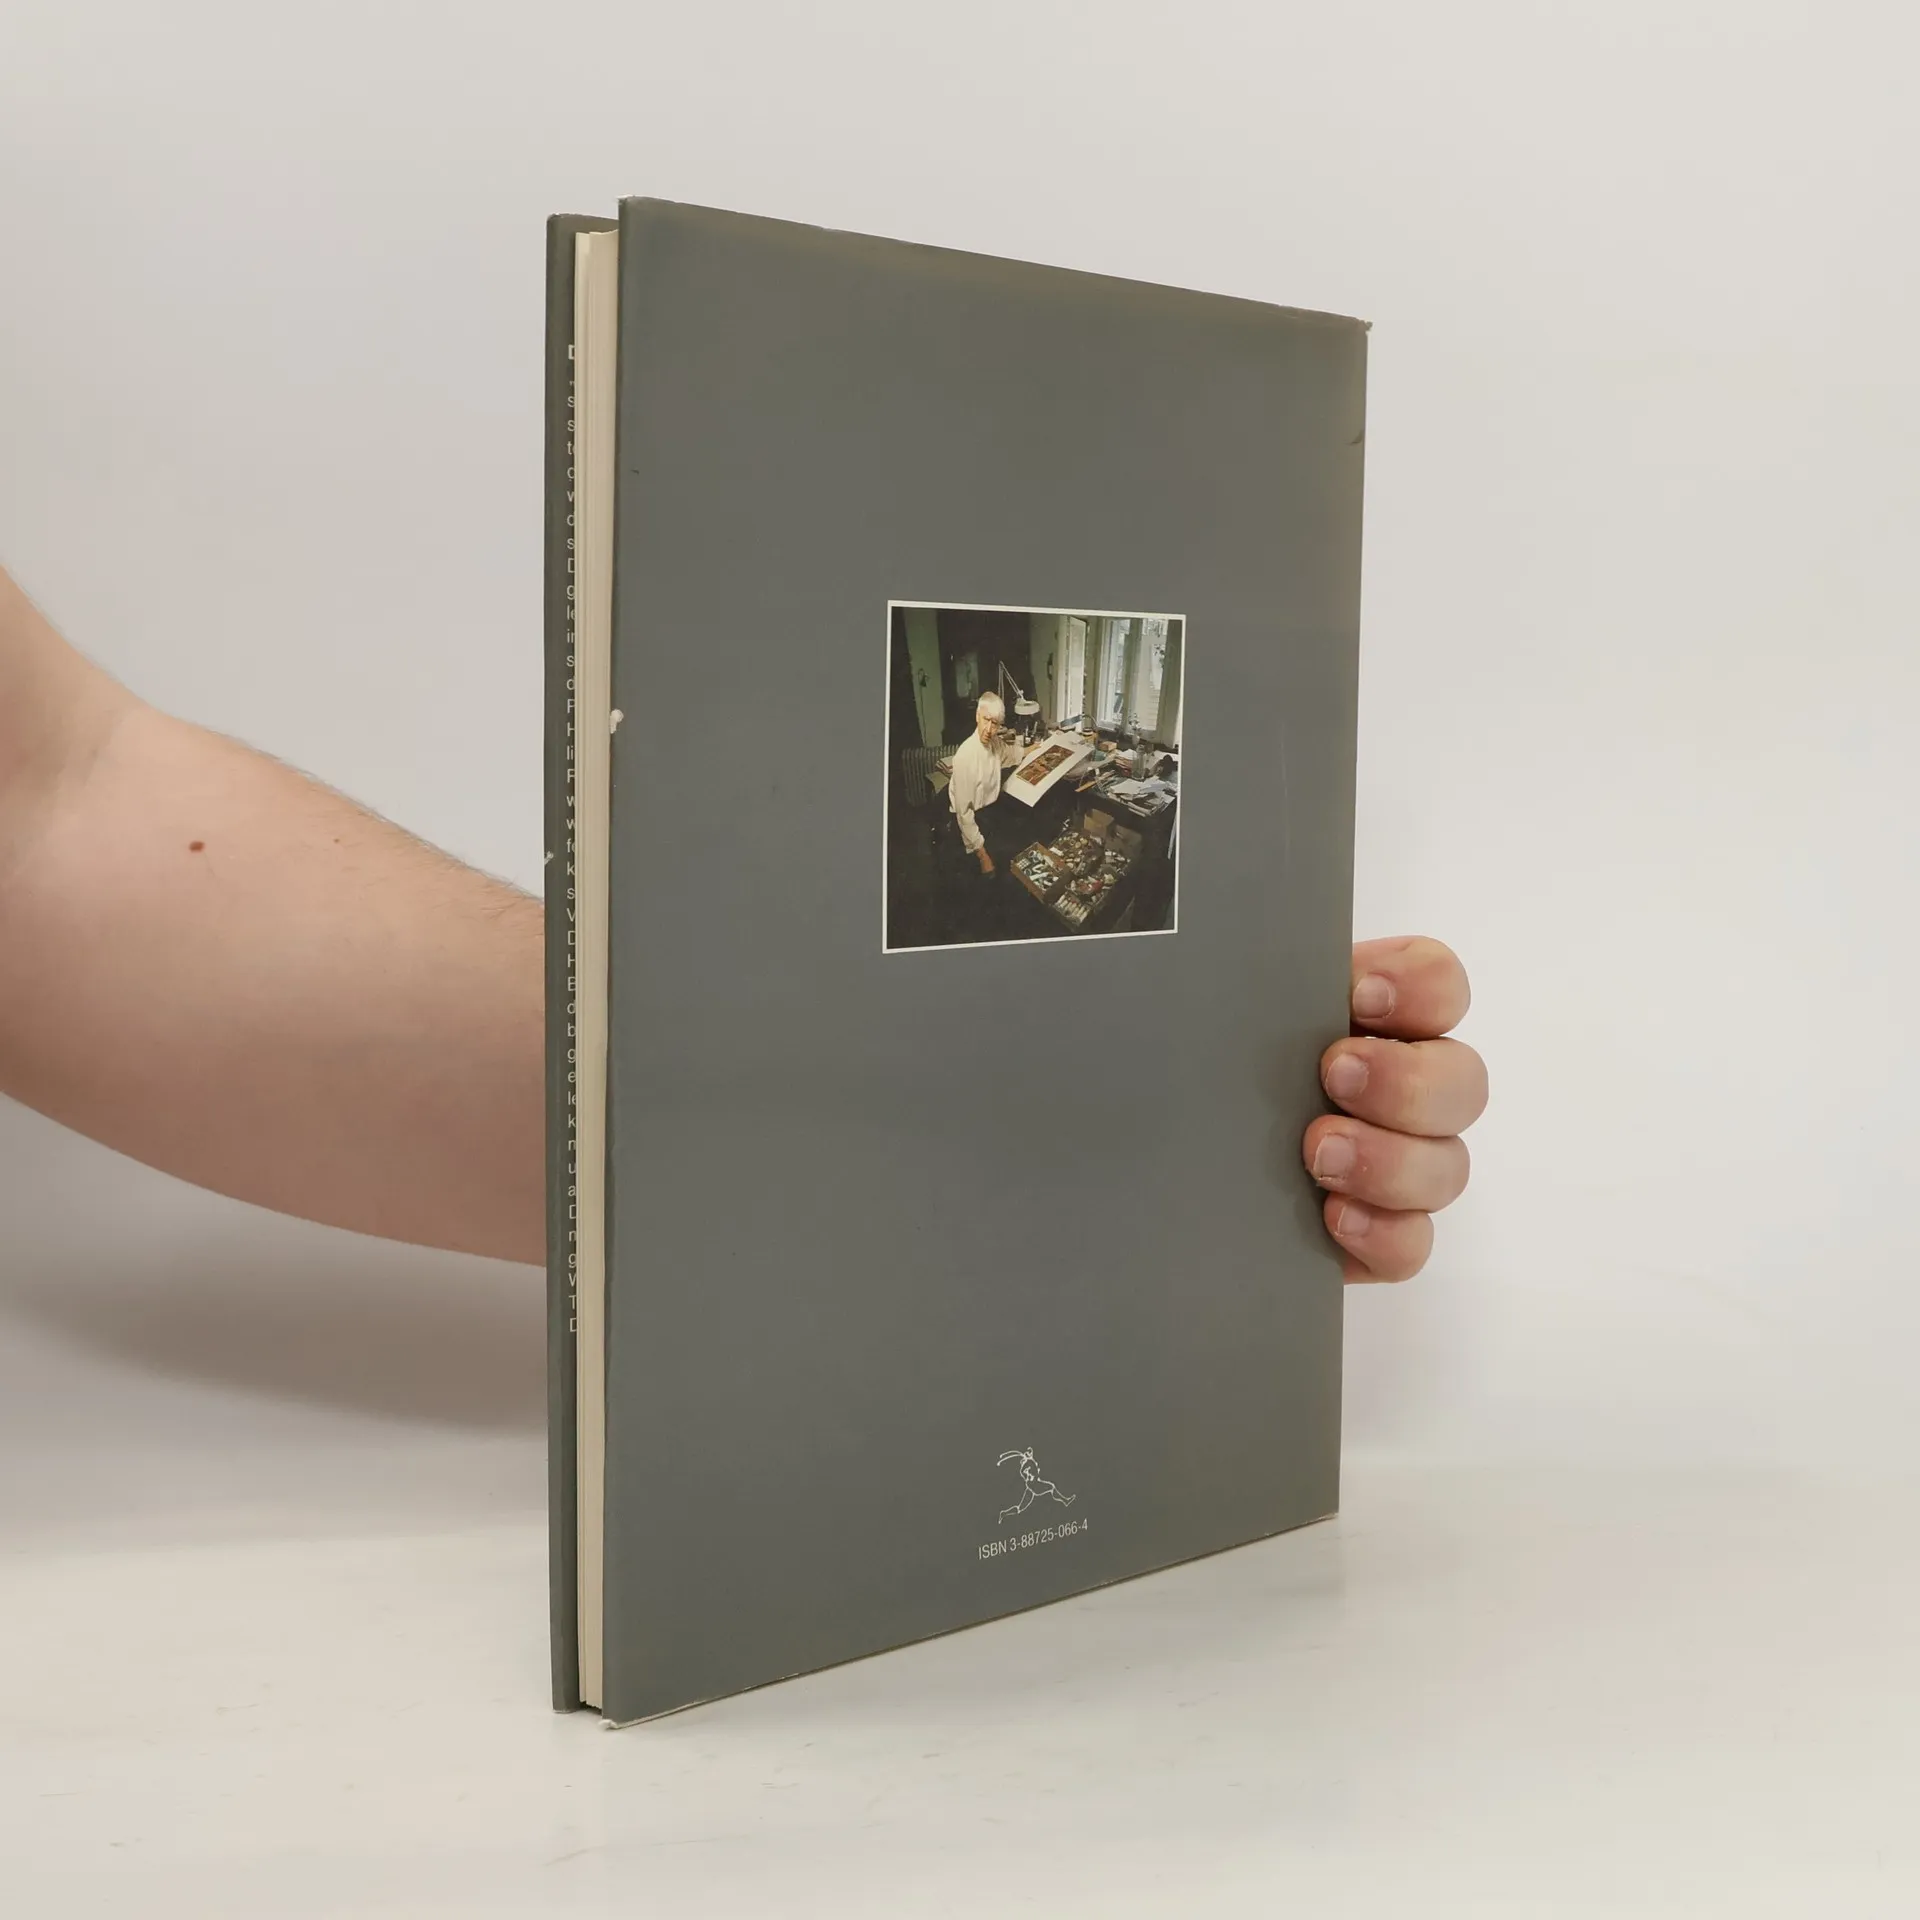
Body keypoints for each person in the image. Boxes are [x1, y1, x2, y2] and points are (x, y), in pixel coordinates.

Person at [0, 563, 1486, 1283]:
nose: (997, 718)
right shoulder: (965, 771)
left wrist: (1084, 1129)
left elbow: (56, 822)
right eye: (989, 712)